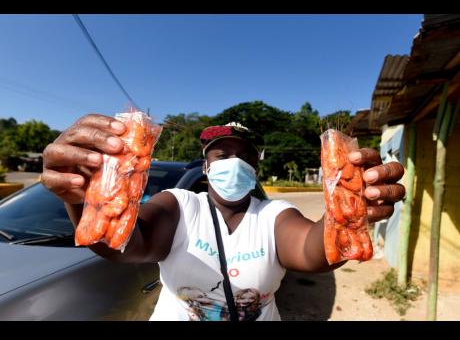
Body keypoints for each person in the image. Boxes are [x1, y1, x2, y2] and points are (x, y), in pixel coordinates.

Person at [41, 114, 405, 321]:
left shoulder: (273, 215)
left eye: (243, 156)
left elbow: (313, 251)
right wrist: (80, 197)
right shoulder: (180, 205)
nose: (233, 162)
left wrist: (349, 211)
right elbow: (124, 244)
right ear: (206, 166)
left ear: (256, 169)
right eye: (221, 155)